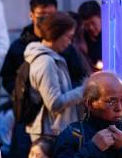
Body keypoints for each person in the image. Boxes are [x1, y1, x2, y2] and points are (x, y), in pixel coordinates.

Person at [0, 0, 89, 96]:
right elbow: (7, 79)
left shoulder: (66, 45)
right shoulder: (18, 47)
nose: (47, 20)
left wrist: (65, 92)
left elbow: (79, 76)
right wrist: (24, 97)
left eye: (51, 15)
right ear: (31, 15)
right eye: (41, 16)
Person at [24, 11, 85, 141]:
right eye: (68, 37)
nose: (70, 42)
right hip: (48, 134)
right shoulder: (45, 61)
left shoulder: (49, 58)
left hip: (52, 130)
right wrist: (85, 90)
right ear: (56, 33)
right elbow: (54, 103)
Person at [78, 0, 102, 70]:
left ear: (101, 18)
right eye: (86, 25)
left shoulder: (109, 36)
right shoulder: (81, 38)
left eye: (93, 23)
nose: (90, 28)